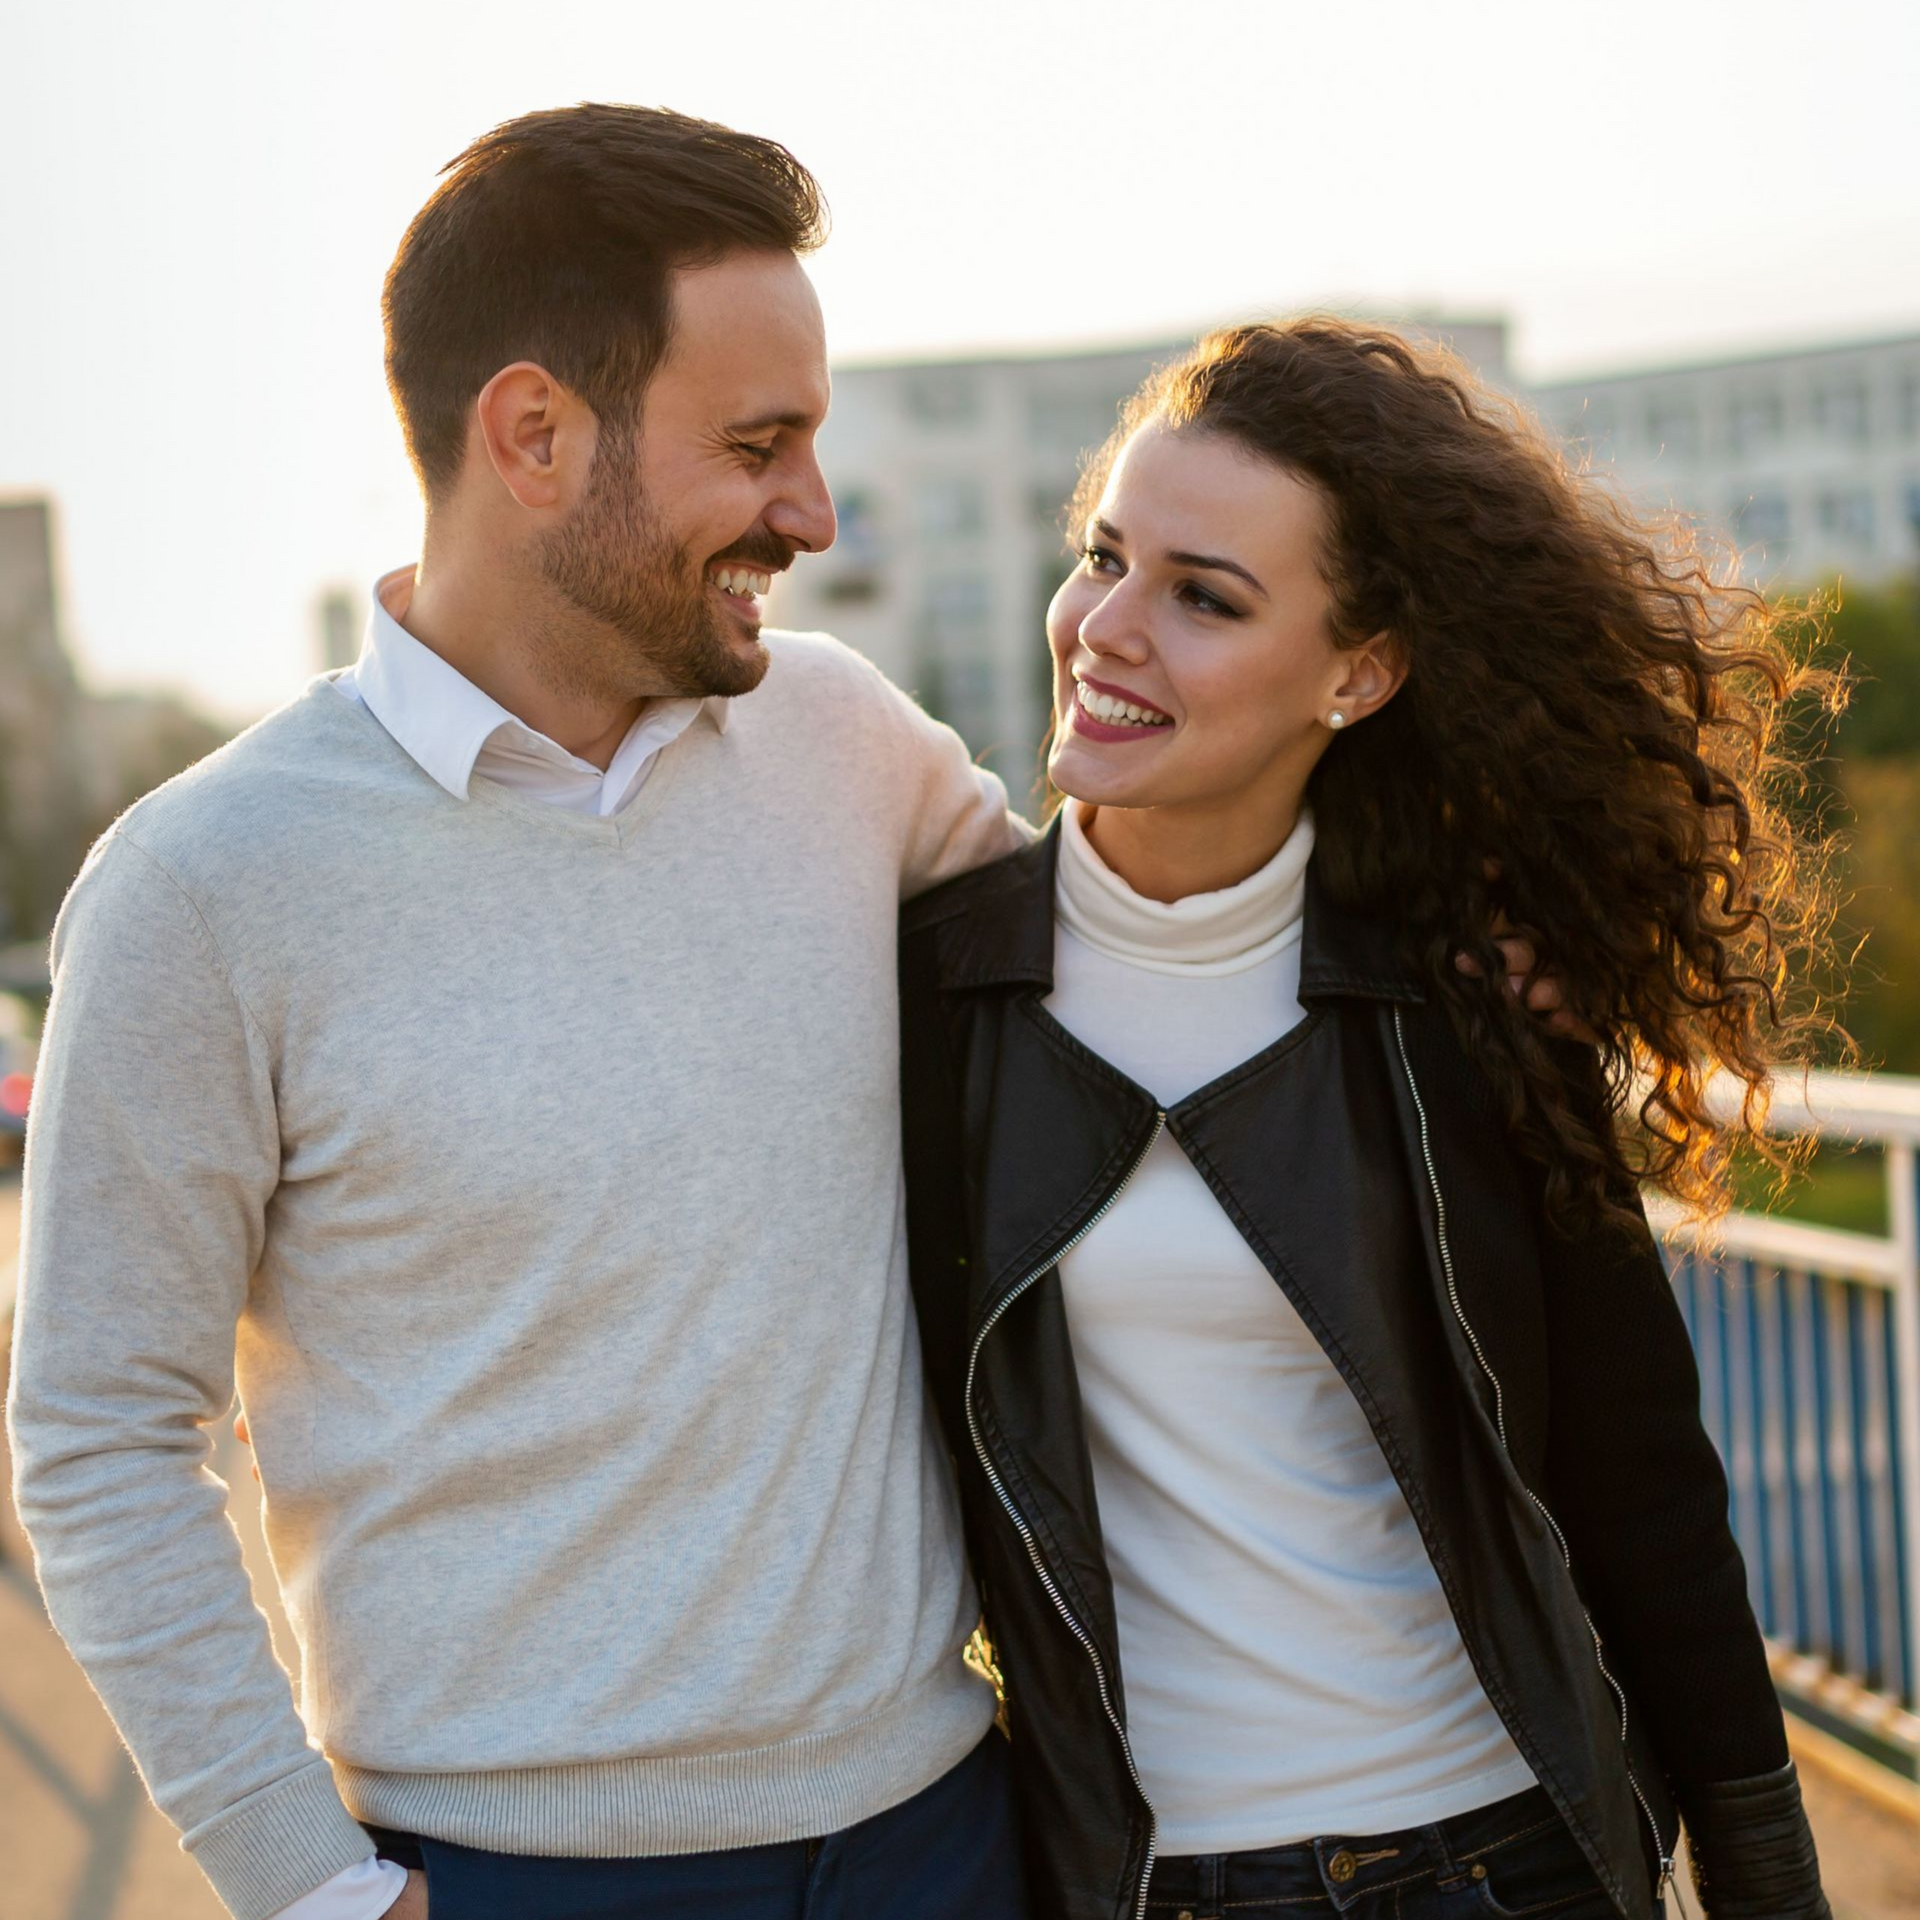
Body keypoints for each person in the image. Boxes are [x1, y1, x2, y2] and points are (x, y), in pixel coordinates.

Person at [7, 105, 1034, 1920]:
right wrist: (306, 1887)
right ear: (535, 434)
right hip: (505, 1883)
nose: (811, 510)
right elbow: (98, 1434)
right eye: (758, 444)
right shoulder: (199, 888)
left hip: (943, 1837)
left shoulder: (849, 740)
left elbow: (1136, 960)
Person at [898, 321, 1835, 1920]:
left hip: (1493, 1861)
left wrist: (1763, 1864)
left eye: (1205, 596)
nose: (1106, 629)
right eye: (1103, 558)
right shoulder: (935, 994)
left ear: (1360, 671)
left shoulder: (1462, 1004)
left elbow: (1640, 1479)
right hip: (1131, 1884)